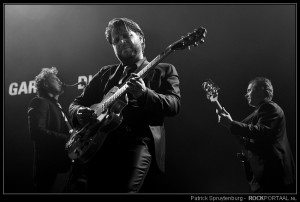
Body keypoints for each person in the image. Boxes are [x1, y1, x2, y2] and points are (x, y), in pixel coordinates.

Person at [68, 18, 181, 193]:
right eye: (116, 40)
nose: (121, 41)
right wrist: (79, 112)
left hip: (136, 145)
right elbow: (75, 104)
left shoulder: (164, 69)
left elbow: (173, 106)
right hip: (99, 147)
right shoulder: (105, 73)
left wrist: (144, 94)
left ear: (141, 39)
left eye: (127, 36)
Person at [216, 77, 296, 193]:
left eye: (249, 90)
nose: (246, 95)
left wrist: (231, 124)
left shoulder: (270, 108)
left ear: (261, 89)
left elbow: (261, 132)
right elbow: (245, 133)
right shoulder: (257, 113)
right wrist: (230, 122)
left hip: (273, 179)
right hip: (261, 179)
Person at [27, 67, 72, 192]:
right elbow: (37, 133)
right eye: (55, 79)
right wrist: (69, 139)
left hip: (63, 168)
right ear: (46, 84)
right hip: (51, 171)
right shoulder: (39, 102)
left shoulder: (58, 107)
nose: (60, 81)